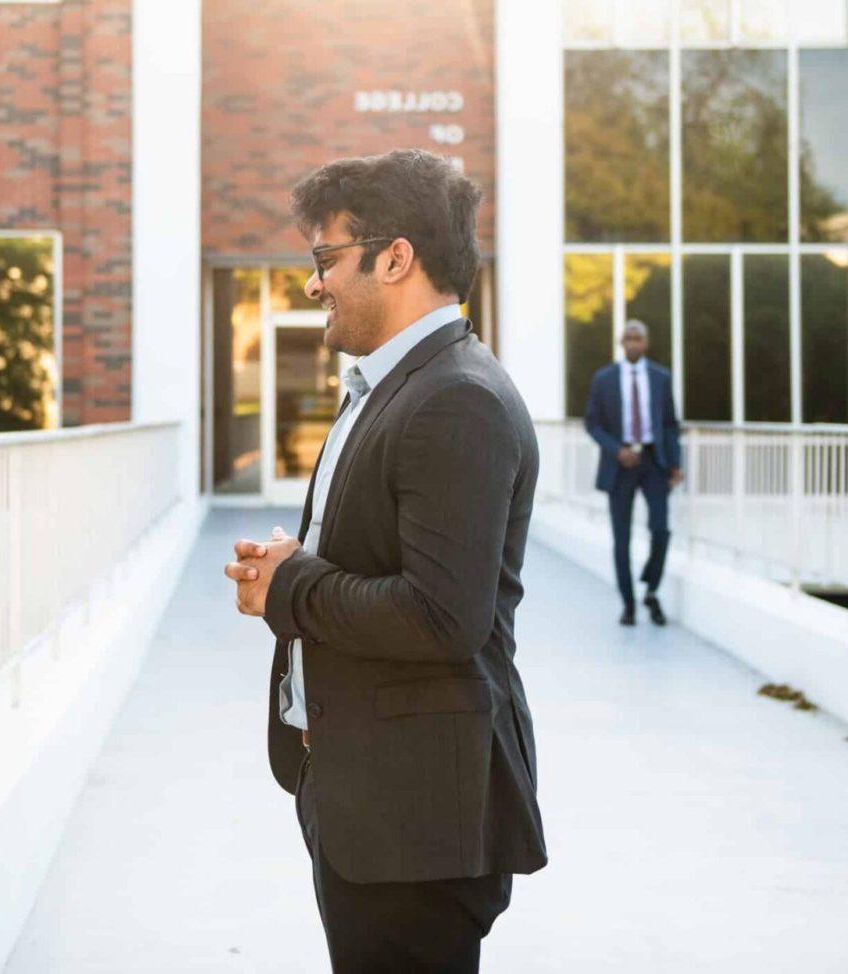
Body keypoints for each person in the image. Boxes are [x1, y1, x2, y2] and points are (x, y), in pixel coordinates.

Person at [224, 149, 547, 972]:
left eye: (325, 259)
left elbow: (443, 617)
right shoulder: (395, 386)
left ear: (395, 257)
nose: (313, 283)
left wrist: (290, 585)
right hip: (367, 799)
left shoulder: (456, 399)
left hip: (416, 827)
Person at [582, 320, 683, 627]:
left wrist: (676, 464)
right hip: (620, 464)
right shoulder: (604, 379)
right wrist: (616, 450)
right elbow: (593, 423)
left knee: (661, 530)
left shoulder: (661, 377)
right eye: (629, 338)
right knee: (621, 538)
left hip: (654, 462)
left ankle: (651, 590)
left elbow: (669, 423)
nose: (634, 343)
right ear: (621, 342)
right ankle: (628, 604)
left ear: (646, 342)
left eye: (638, 338)